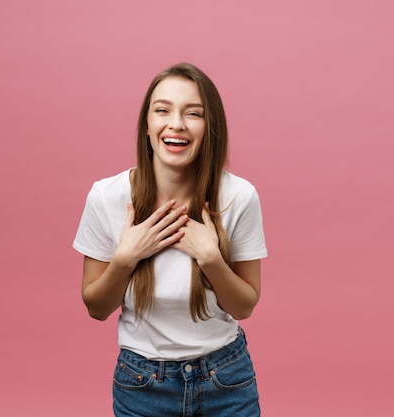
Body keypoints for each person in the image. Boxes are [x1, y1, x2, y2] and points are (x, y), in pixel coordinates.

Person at [73, 62, 267, 416]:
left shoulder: (239, 196)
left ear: (211, 128)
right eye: (162, 110)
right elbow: (96, 308)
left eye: (193, 113)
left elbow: (244, 307)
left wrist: (211, 259)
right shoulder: (106, 196)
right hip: (142, 384)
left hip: (225, 380)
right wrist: (125, 259)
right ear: (147, 126)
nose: (176, 123)